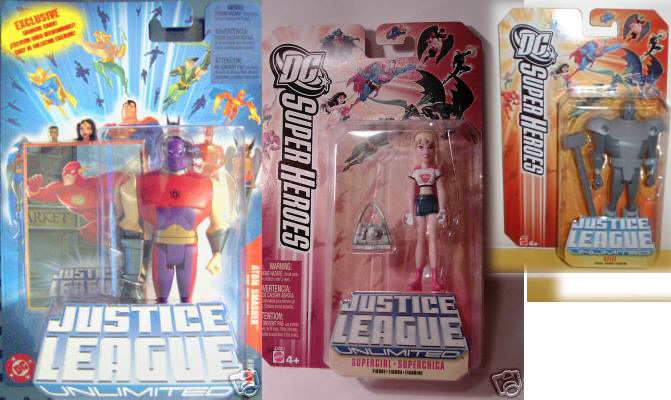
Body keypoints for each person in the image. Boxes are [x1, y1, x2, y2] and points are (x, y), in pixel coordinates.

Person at [405, 131, 447, 292]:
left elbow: (441, 190)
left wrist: (442, 209)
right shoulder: (414, 172)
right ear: (415, 149)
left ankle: (435, 279)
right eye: (421, 147)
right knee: (420, 239)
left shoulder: (436, 171)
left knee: (433, 240)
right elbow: (410, 193)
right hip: (420, 204)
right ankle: (418, 279)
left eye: (430, 147)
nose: (426, 151)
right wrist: (410, 212)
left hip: (432, 204)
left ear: (435, 149)